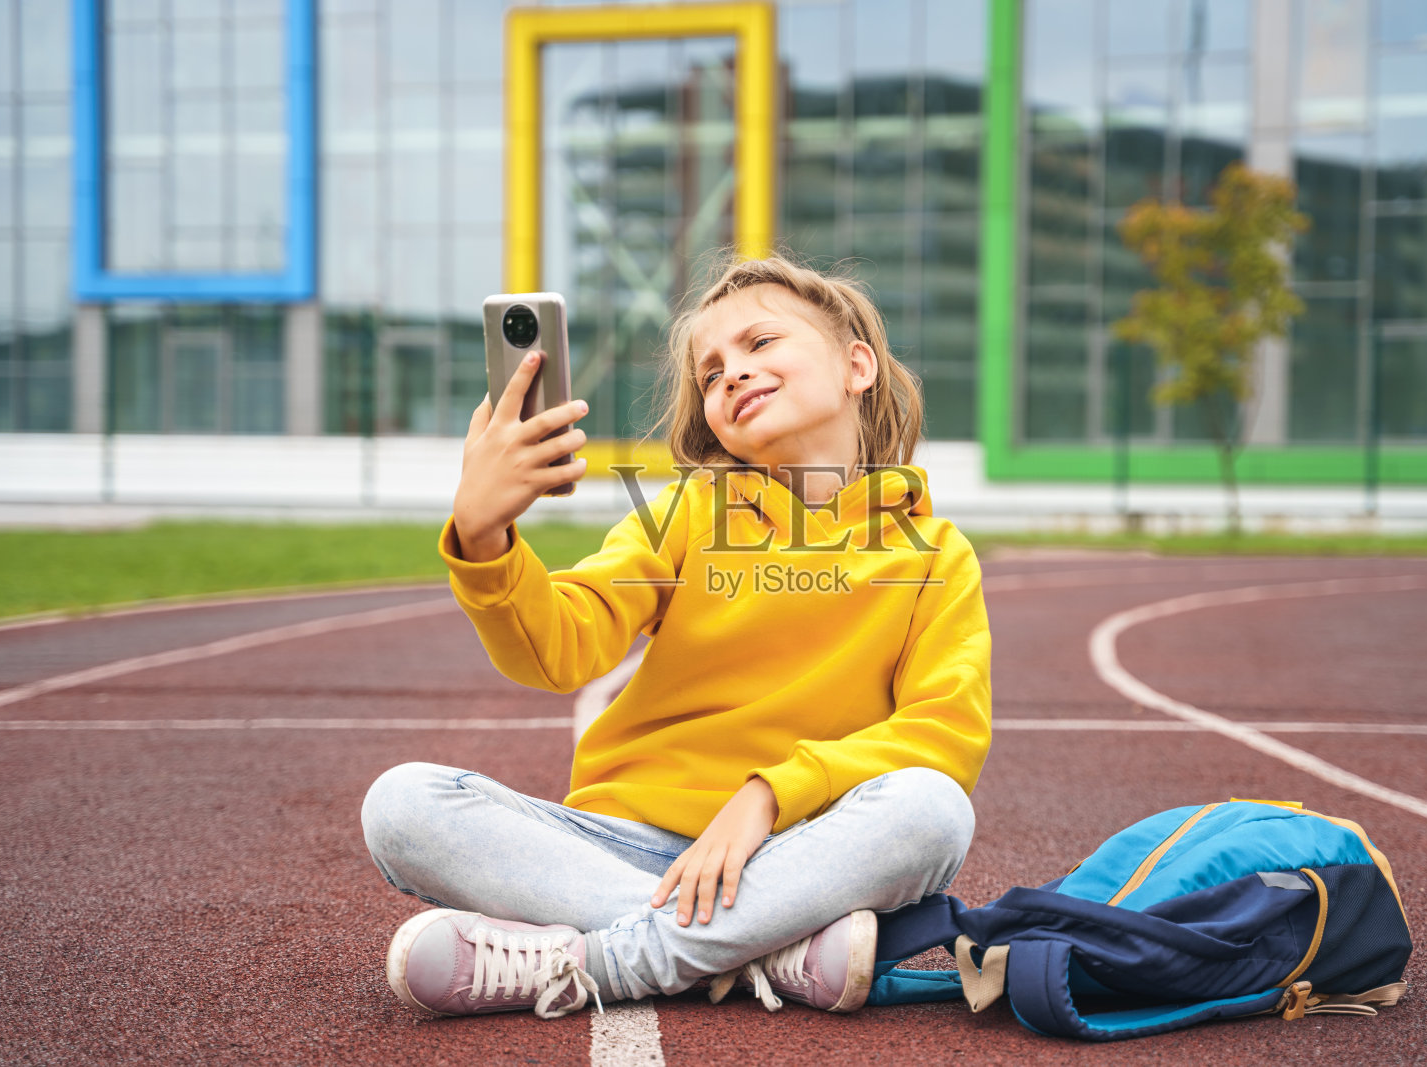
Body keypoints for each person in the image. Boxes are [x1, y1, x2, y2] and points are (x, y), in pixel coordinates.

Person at [360, 253, 993, 1021]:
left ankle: (602, 960)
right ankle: (762, 949)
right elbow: (560, 649)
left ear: (857, 364)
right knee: (401, 803)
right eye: (711, 369)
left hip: (793, 853)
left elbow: (942, 733)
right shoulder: (685, 514)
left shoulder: (937, 556)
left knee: (934, 809)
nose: (730, 373)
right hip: (620, 847)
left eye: (760, 344)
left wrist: (767, 794)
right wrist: (484, 531)